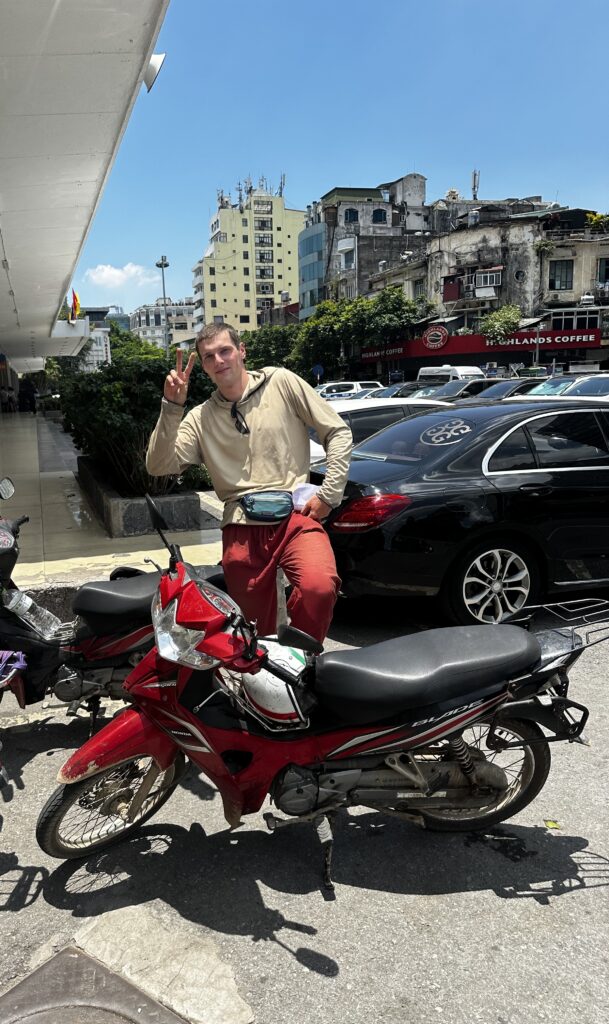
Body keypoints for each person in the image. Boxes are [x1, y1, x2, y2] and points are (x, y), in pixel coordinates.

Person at [146, 323, 352, 643]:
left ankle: (300, 658)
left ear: (241, 351)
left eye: (225, 350)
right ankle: (263, 672)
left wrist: (330, 494)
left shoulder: (280, 382)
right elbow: (158, 465)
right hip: (241, 527)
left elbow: (337, 431)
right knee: (253, 634)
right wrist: (172, 407)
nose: (219, 360)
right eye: (209, 356)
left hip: (295, 515)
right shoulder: (201, 418)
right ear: (204, 367)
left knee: (319, 586)